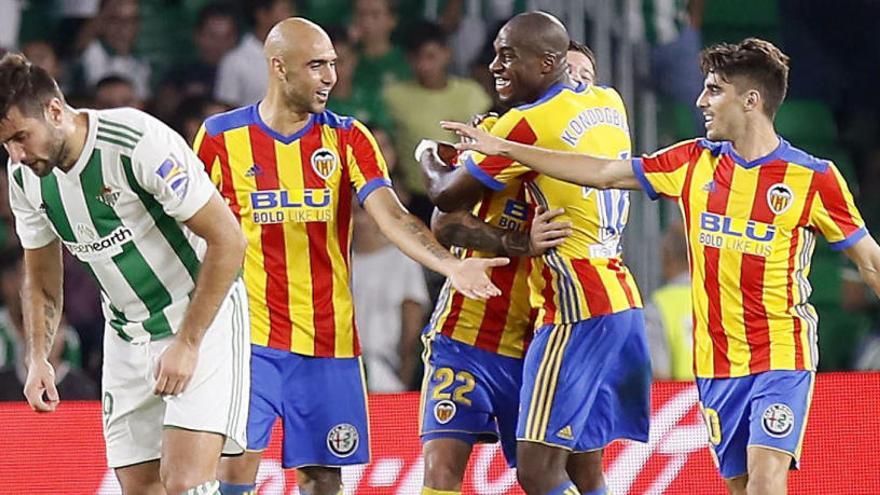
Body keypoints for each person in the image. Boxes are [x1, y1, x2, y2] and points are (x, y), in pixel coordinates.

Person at [443, 37, 880, 495]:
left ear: (751, 100)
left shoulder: (812, 178)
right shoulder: (692, 162)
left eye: (714, 90)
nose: (701, 101)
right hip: (715, 363)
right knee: (742, 484)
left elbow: (869, 261)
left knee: (767, 478)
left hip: (782, 354)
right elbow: (602, 171)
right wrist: (508, 148)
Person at [192, 18, 507, 495]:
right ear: (278, 68)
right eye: (316, 65)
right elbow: (189, 231)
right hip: (247, 342)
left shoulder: (348, 138)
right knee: (233, 475)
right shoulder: (220, 138)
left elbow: (391, 216)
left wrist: (449, 265)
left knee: (322, 480)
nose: (330, 77)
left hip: (329, 343)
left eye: (333, 65)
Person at [418, 13, 650, 495]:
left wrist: (426, 152)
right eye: (575, 75)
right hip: (472, 330)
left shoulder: (519, 131)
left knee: (562, 472)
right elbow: (444, 221)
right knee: (445, 470)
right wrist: (514, 242)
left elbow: (444, 193)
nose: (581, 84)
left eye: (585, 76)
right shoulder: (596, 109)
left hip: (551, 324)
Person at [0, 52, 250, 495]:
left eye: (22, 136)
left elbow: (229, 240)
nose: (17, 153)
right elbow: (40, 279)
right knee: (142, 489)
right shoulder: (25, 177)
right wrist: (38, 357)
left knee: (186, 483)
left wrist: (188, 343)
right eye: (6, 145)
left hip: (200, 320)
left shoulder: (135, 141)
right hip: (125, 333)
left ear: (55, 111)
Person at [383, 20, 492, 199]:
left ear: (446, 53)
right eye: (416, 58)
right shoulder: (394, 97)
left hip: (465, 192)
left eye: (431, 56)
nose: (424, 65)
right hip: (414, 195)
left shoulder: (472, 94)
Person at [351, 202, 428, 392]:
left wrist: (404, 379)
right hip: (342, 369)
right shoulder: (336, 261)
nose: (359, 220)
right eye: (352, 212)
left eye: (363, 211)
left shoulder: (403, 260)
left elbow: (412, 326)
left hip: (385, 372)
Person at [214, 0, 295, 106]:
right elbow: (227, 110)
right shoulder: (235, 61)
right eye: (285, 10)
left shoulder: (299, 54)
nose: (291, 16)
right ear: (262, 14)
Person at [643, 222, 693, 380]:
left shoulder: (659, 306)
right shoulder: (719, 299)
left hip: (680, 402)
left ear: (666, 257)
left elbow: (659, 373)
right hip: (721, 400)